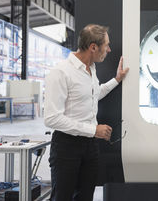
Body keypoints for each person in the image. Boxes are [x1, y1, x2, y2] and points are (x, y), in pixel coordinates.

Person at [44, 24, 129, 201]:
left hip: (90, 147)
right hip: (66, 147)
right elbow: (52, 118)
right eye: (106, 45)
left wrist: (117, 79)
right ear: (93, 47)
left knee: (85, 197)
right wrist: (93, 130)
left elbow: (93, 95)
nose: (109, 49)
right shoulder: (61, 72)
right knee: (62, 197)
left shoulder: (91, 69)